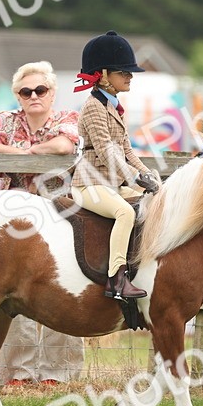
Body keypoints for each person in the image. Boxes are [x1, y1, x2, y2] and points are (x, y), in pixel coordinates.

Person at [0, 60, 84, 386]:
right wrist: (19, 152)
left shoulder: (67, 119)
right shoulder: (4, 120)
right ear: (17, 96)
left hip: (56, 218)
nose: (33, 96)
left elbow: (64, 144)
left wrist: (28, 151)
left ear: (52, 93)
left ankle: (57, 375)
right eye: (25, 91)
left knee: (63, 290)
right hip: (9, 222)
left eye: (40, 90)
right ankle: (17, 374)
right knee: (10, 294)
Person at [69, 31, 161, 300]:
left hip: (111, 184)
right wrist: (134, 178)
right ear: (104, 74)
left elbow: (126, 149)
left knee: (152, 205)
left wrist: (146, 174)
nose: (129, 76)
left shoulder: (115, 106)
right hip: (89, 184)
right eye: (123, 71)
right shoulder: (93, 107)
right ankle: (116, 280)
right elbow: (106, 151)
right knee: (125, 213)